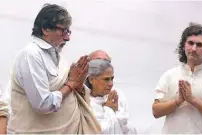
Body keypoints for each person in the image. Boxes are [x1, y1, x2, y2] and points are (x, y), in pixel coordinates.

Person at [7, 3, 101, 133]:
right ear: (46, 29)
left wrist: (78, 83)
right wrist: (71, 84)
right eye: (64, 31)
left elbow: (70, 91)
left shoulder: (60, 58)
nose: (68, 38)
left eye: (68, 31)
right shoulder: (31, 55)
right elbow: (42, 104)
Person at [152, 23, 202, 134]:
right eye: (190, 43)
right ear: (184, 46)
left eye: (199, 45)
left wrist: (192, 100)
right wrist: (177, 101)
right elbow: (156, 111)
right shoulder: (169, 75)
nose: (194, 48)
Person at [86, 51, 137, 134]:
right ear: (91, 79)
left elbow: (131, 130)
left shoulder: (117, 95)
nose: (111, 84)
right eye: (106, 79)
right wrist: (109, 109)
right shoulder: (84, 101)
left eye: (112, 79)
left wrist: (116, 111)